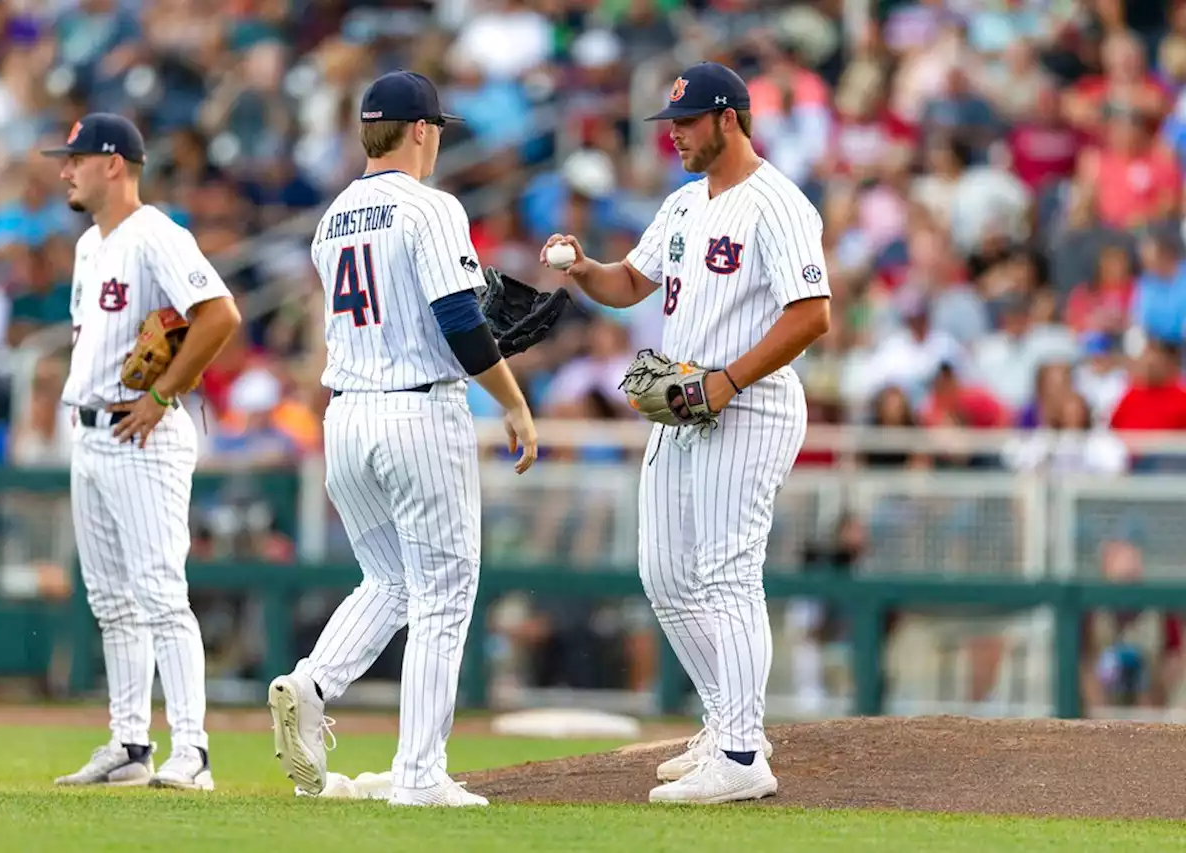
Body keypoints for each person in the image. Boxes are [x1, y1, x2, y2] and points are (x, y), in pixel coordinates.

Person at [542, 61, 831, 804]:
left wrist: (728, 379)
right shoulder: (679, 205)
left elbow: (811, 312)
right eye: (671, 122)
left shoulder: (778, 203)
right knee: (666, 574)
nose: (673, 135)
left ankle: (740, 755)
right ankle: (730, 723)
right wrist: (581, 269)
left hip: (752, 401)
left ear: (729, 119)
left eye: (686, 121)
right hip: (682, 398)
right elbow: (630, 283)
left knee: (728, 573)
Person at [266, 71, 538, 808]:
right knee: (445, 594)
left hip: (347, 412)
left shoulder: (332, 218)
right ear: (420, 129)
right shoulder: (430, 207)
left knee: (388, 579)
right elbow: (456, 317)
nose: (440, 137)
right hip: (416, 410)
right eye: (438, 126)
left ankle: (313, 682)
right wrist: (513, 399)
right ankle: (419, 773)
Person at [42, 113, 242, 791]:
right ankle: (131, 743)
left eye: (76, 159)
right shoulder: (87, 247)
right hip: (92, 430)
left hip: (144, 434)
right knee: (110, 599)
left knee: (160, 592)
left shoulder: (155, 233)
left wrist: (163, 395)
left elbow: (220, 313)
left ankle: (194, 751)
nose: (65, 169)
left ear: (115, 164)